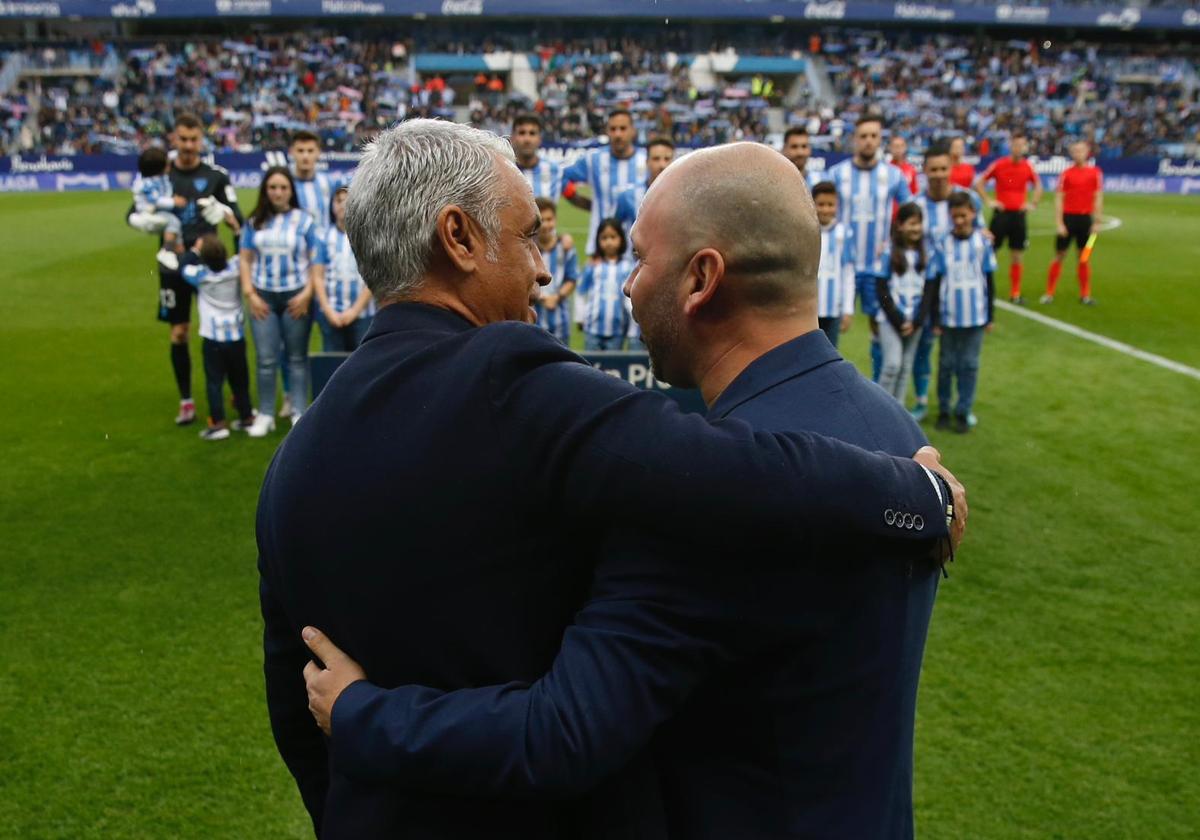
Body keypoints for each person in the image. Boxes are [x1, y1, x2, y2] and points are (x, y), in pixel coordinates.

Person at [257, 119, 965, 840]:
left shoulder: (290, 464)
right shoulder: (896, 436)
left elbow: (293, 711)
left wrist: (355, 739)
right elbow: (716, 468)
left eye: (637, 258)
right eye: (530, 234)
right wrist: (921, 496)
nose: (543, 268)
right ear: (459, 238)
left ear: (701, 278)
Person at [133, 112, 243, 426]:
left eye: (194, 140)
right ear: (174, 139)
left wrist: (222, 211)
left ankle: (234, 390)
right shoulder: (161, 175)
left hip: (211, 268)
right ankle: (186, 400)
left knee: (222, 333)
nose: (188, 146)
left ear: (202, 140)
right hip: (173, 267)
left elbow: (238, 218)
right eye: (183, 139)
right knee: (179, 332)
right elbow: (135, 210)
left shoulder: (216, 175)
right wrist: (144, 221)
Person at [827, 115, 913, 382]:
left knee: (880, 327)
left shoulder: (894, 176)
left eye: (874, 136)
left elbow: (911, 212)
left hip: (878, 269)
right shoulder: (837, 174)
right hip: (843, 269)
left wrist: (895, 240)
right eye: (863, 136)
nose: (868, 141)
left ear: (880, 140)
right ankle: (828, 383)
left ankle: (878, 387)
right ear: (854, 139)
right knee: (830, 326)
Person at [239, 166, 322, 436]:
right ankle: (265, 413)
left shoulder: (304, 220)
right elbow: (245, 258)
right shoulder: (254, 222)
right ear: (265, 190)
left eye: (283, 187)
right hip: (263, 298)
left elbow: (315, 260)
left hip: (295, 297)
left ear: (291, 191)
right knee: (265, 359)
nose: (278, 192)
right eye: (273, 187)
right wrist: (250, 294)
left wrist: (307, 293)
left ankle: (298, 411)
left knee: (296, 358)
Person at [909, 142, 986, 422]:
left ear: (951, 169)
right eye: (933, 169)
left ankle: (961, 406)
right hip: (924, 290)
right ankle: (921, 400)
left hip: (957, 293)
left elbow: (980, 237)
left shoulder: (967, 200)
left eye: (944, 168)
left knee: (959, 358)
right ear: (925, 171)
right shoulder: (916, 205)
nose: (939, 174)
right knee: (925, 348)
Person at [931, 192, 997, 433]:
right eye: (955, 215)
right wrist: (936, 318)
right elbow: (936, 281)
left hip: (976, 317)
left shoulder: (982, 242)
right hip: (949, 317)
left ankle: (963, 411)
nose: (959, 219)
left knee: (969, 365)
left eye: (964, 214)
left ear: (973, 214)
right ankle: (944, 410)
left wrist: (990, 315)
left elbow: (989, 280)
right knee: (947, 365)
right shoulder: (942, 243)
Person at [180, 235, 254, 441]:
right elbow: (244, 253)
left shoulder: (201, 275)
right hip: (236, 336)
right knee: (240, 379)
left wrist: (194, 250)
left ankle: (218, 423)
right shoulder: (235, 268)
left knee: (214, 382)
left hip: (213, 339)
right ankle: (246, 416)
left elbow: (183, 267)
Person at [562, 108, 647, 257]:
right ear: (607, 131)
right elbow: (561, 177)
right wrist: (583, 202)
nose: (618, 134)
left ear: (633, 131)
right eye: (613, 129)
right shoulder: (594, 160)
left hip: (638, 251)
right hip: (600, 249)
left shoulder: (646, 160)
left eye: (623, 128)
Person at [875, 203, 938, 403]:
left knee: (905, 366)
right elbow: (882, 289)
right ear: (900, 225)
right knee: (892, 365)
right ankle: (881, 411)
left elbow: (929, 290)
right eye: (911, 223)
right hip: (891, 319)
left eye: (919, 223)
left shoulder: (927, 254)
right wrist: (898, 318)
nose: (916, 228)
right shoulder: (888, 252)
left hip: (915, 320)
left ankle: (899, 410)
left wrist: (918, 320)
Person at [974, 130, 1041, 305]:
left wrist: (1033, 203)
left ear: (1025, 147)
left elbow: (1038, 185)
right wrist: (989, 200)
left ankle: (1015, 293)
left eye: (1022, 145)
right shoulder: (999, 164)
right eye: (1016, 145)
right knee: (990, 252)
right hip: (1001, 215)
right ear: (1011, 146)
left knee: (1017, 254)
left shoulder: (1027, 166)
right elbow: (979, 182)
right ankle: (982, 288)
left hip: (1019, 216)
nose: (1019, 148)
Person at [313, 187, 374, 352]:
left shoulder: (367, 237)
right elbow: (318, 276)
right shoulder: (323, 237)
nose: (343, 205)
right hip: (331, 314)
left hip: (362, 315)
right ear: (332, 206)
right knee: (333, 366)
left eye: (347, 200)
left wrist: (354, 311)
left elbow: (372, 278)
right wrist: (328, 310)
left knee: (362, 362)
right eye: (338, 200)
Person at [1043, 140, 1102, 306]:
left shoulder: (1095, 173)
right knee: (1059, 255)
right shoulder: (1066, 174)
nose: (1078, 154)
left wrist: (1097, 222)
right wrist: (1059, 222)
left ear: (1087, 152)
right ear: (1072, 153)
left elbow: (1098, 197)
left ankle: (1085, 295)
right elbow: (1059, 198)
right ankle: (1049, 293)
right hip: (1068, 220)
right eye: (1075, 151)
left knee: (1084, 257)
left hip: (1086, 221)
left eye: (1081, 150)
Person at [578, 219, 636, 351]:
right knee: (591, 367)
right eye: (604, 238)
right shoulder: (592, 266)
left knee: (613, 367)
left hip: (617, 330)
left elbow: (629, 297)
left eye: (613, 237)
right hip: (592, 328)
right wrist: (580, 317)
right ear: (598, 240)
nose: (609, 242)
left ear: (621, 239)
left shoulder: (626, 267)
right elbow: (581, 291)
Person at [511, 113, 588, 210]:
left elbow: (575, 198)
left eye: (532, 133)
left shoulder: (554, 170)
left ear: (539, 139)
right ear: (513, 138)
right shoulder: (502, 171)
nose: (527, 139)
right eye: (522, 133)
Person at [811, 181, 855, 347]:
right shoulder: (807, 231)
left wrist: (848, 309)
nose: (825, 209)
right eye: (821, 204)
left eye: (830, 205)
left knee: (830, 355)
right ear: (812, 204)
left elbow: (848, 272)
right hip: (810, 309)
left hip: (833, 308)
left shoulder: (844, 233)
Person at [128, 145, 184, 269]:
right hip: (149, 212)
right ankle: (167, 250)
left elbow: (169, 157)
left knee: (174, 225)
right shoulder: (148, 183)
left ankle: (177, 248)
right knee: (173, 222)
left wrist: (181, 150)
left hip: (154, 211)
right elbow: (155, 200)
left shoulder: (157, 177)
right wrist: (174, 202)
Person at [532, 196, 578, 345]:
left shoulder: (565, 249)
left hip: (560, 322)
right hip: (535, 321)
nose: (546, 225)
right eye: (542, 220)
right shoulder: (528, 249)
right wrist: (542, 298)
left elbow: (571, 279)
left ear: (556, 219)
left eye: (549, 219)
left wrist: (557, 297)